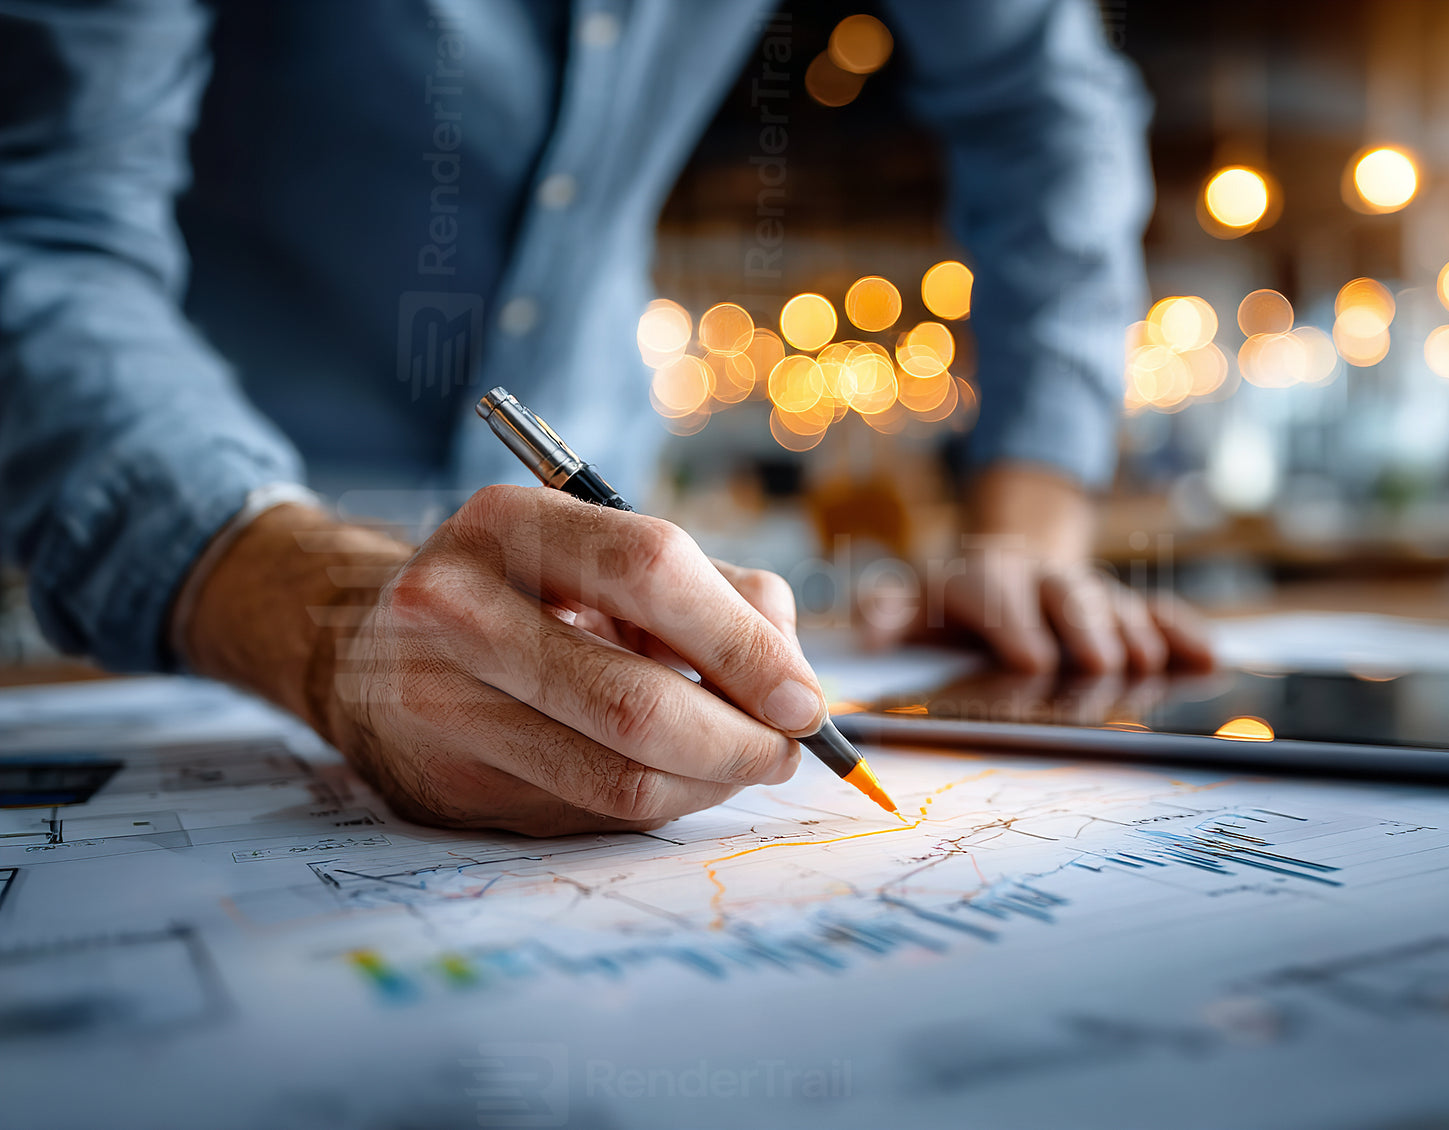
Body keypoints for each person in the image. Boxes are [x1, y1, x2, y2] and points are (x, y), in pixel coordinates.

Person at [0, 0, 1211, 837]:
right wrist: (325, 619)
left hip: (598, 565)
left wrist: (1026, 538)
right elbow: (38, 228)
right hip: (175, 563)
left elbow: (1043, 104)